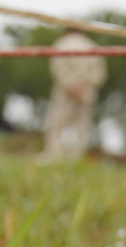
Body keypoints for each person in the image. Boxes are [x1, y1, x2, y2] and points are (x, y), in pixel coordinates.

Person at [41, 30, 107, 160]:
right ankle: (76, 158)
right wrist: (84, 85)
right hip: (86, 91)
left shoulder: (61, 44)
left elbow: (58, 68)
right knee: (82, 126)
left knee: (57, 124)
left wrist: (72, 85)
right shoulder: (92, 46)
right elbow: (100, 73)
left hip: (65, 92)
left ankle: (53, 156)